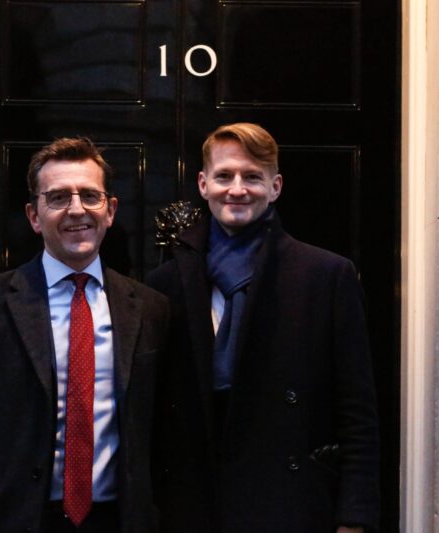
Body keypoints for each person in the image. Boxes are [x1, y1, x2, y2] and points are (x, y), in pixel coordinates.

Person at [147, 123, 379, 533]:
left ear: (275, 187)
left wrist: (354, 518)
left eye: (252, 177)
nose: (237, 189)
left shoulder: (326, 276)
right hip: (193, 508)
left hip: (289, 505)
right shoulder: (165, 284)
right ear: (203, 184)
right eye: (224, 176)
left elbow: (357, 409)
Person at [0, 137, 169, 533]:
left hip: (118, 521)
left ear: (110, 210)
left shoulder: (150, 308)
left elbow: (163, 429)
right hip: (15, 520)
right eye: (58, 197)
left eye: (90, 196)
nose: (77, 209)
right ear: (34, 215)